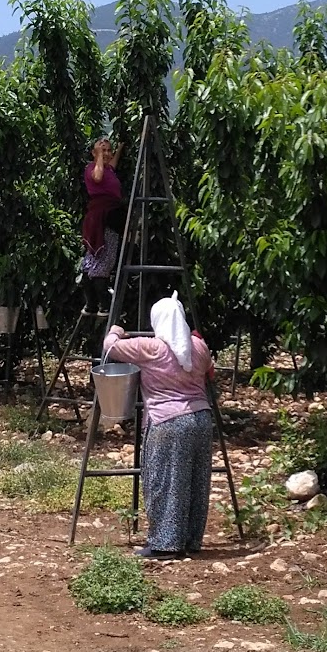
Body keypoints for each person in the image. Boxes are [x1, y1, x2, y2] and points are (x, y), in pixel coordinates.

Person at [103, 294, 215, 558]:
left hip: (168, 422)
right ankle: (190, 541)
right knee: (195, 482)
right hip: (201, 419)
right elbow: (209, 367)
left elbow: (110, 347)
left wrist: (116, 329)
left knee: (164, 481)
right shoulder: (199, 348)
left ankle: (165, 544)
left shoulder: (150, 348)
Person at [82, 137, 123, 312]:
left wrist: (120, 147)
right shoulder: (92, 168)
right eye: (101, 150)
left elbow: (111, 164)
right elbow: (98, 177)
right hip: (102, 218)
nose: (105, 154)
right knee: (102, 260)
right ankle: (103, 304)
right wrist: (98, 155)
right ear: (93, 153)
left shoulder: (108, 169)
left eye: (108, 150)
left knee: (97, 258)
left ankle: (92, 303)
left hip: (110, 216)